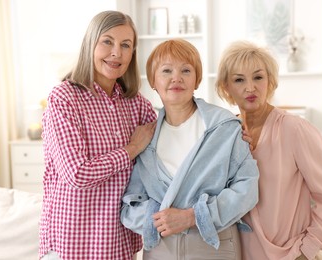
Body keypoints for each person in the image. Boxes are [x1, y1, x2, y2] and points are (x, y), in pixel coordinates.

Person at [120, 38, 259, 260]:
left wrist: (193, 217)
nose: (177, 78)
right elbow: (131, 199)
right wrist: (154, 219)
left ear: (197, 80)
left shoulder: (223, 127)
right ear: (153, 81)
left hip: (214, 245)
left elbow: (247, 188)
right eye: (166, 71)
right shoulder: (146, 137)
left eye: (186, 70)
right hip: (160, 248)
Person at [39, 10, 157, 260]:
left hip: (119, 243)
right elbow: (77, 173)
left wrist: (231, 128)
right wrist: (131, 149)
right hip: (72, 244)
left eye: (126, 45)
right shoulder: (64, 98)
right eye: (107, 41)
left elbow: (176, 134)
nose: (117, 52)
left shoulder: (135, 104)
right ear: (90, 44)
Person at [215, 40, 322, 260]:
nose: (250, 88)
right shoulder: (225, 134)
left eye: (258, 77)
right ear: (226, 88)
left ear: (270, 81)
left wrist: (307, 250)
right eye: (239, 80)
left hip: (290, 254)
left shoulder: (295, 129)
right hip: (237, 253)